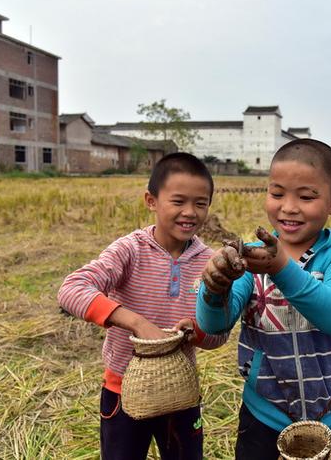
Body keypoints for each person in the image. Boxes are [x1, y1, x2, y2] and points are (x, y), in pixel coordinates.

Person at [196, 139, 331, 460]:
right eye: (277, 194)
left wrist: (281, 268)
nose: (288, 207)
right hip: (264, 415)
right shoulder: (251, 258)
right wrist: (214, 290)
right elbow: (214, 325)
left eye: (306, 196)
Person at [58, 152, 226, 460]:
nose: (190, 212)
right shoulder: (129, 250)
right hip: (123, 390)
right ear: (151, 200)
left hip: (181, 393)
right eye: (178, 201)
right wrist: (136, 323)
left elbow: (218, 336)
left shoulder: (210, 263)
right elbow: (71, 289)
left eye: (200, 203)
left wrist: (196, 330)